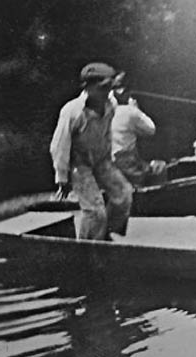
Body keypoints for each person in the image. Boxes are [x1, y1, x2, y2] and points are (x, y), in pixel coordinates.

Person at [49, 62, 133, 241]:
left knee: (124, 194)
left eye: (109, 88)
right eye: (102, 88)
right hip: (80, 165)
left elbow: (107, 133)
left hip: (102, 160)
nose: (106, 93)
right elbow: (59, 145)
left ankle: (105, 234)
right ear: (88, 87)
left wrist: (111, 158)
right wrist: (62, 177)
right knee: (95, 212)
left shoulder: (111, 104)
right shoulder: (72, 111)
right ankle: (86, 250)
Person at [111, 83, 166, 186]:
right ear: (127, 95)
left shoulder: (107, 111)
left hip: (109, 163)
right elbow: (151, 129)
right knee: (160, 167)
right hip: (126, 164)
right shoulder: (131, 111)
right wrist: (136, 109)